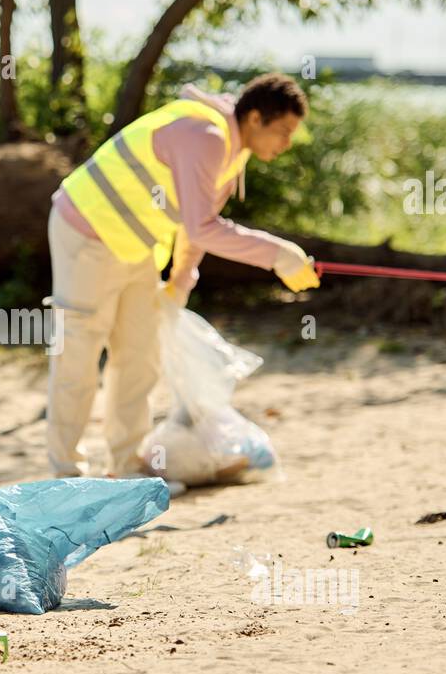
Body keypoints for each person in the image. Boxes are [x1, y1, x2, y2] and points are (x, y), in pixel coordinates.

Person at [45, 72, 319, 480]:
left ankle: (124, 468)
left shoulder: (232, 150)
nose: (286, 144)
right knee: (79, 356)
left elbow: (196, 223)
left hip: (134, 246)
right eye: (282, 131)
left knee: (139, 356)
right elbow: (201, 226)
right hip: (86, 230)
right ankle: (66, 475)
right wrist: (277, 254)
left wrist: (179, 283)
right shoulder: (207, 136)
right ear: (256, 118)